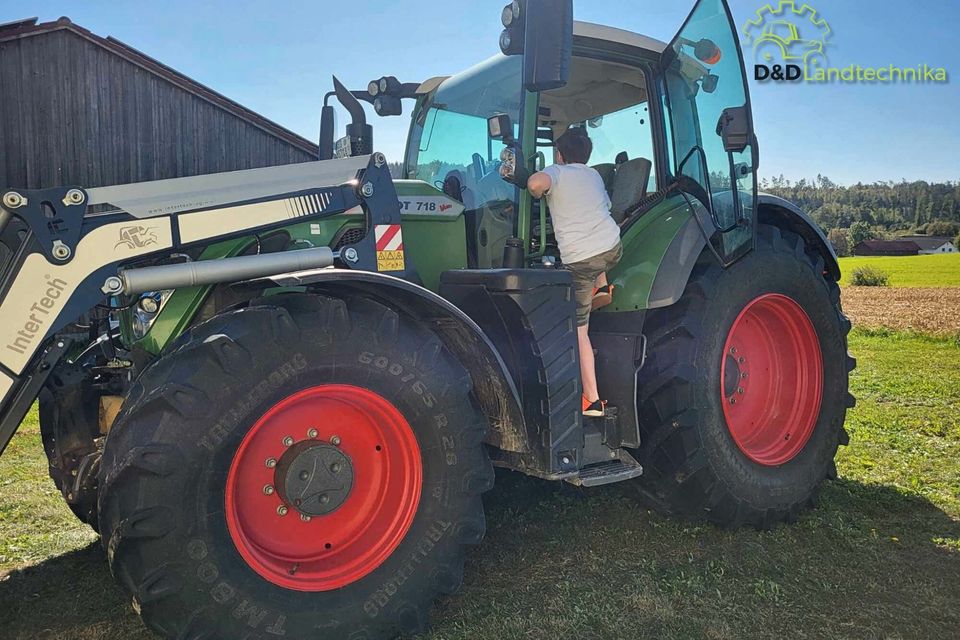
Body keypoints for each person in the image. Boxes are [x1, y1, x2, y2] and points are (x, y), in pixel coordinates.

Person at [502, 128, 622, 417]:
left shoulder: (556, 171)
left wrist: (537, 181)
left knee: (580, 330)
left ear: (559, 154)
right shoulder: (593, 175)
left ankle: (592, 400)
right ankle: (603, 287)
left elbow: (534, 185)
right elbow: (605, 207)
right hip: (613, 247)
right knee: (598, 251)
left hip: (580, 262)